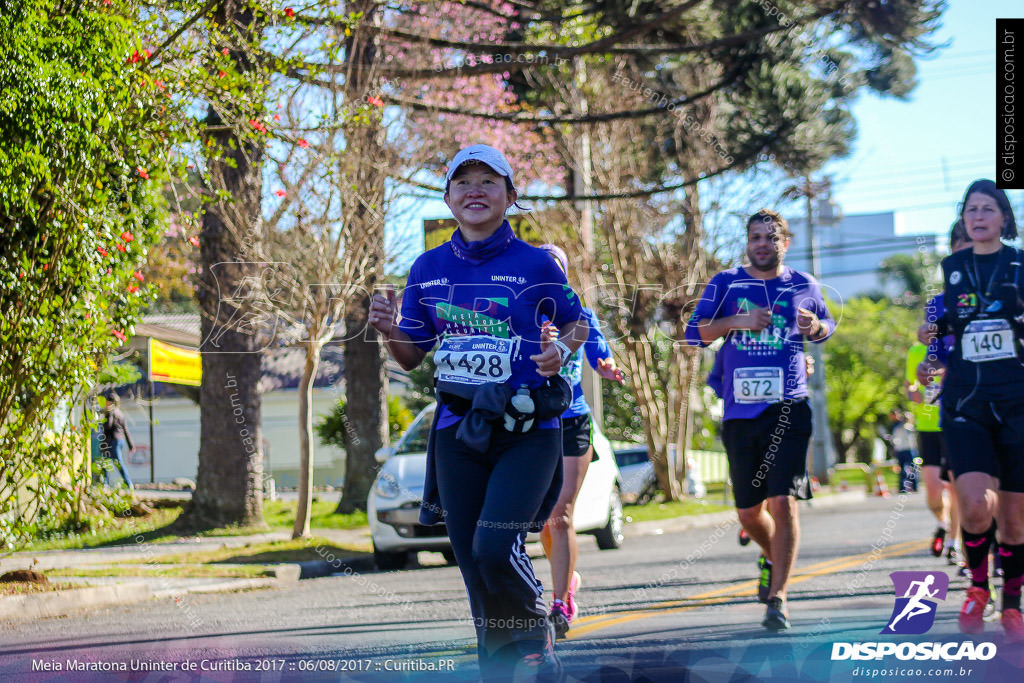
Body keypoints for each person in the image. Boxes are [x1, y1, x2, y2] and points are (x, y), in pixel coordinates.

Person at [368, 144, 588, 678]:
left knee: (495, 546)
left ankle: (536, 638)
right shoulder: (428, 267)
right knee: (471, 562)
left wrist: (563, 349)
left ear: (510, 197)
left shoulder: (536, 263)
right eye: (462, 182)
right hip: (458, 432)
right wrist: (388, 330)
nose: (475, 190)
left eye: (489, 181)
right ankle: (497, 664)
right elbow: (412, 355)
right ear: (448, 198)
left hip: (527, 428)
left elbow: (579, 323)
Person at [685, 208, 834, 631]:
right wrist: (737, 321)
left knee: (782, 501)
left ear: (785, 242)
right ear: (748, 243)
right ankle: (771, 557)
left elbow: (826, 326)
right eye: (756, 237)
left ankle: (779, 599)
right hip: (740, 411)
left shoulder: (803, 284)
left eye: (772, 237)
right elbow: (695, 333)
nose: (763, 244)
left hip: (789, 406)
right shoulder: (727, 283)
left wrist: (815, 324)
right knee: (750, 514)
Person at [920, 179, 1024, 642]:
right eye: (970, 210)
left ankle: (1012, 605)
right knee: (975, 506)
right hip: (965, 401)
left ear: (1004, 217)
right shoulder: (953, 266)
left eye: (987, 209)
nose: (977, 217)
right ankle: (978, 587)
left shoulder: (1021, 264)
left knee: (1015, 520)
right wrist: (931, 361)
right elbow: (946, 331)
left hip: (1018, 399)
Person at [535, 243, 625, 640]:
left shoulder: (582, 316)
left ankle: (560, 602)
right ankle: (567, 579)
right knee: (543, 520)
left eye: (557, 269)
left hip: (573, 421)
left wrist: (606, 368)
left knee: (561, 512)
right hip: (534, 425)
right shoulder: (524, 315)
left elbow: (600, 357)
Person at [907, 220, 970, 564]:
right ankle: (953, 533)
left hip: (1000, 402)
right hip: (951, 408)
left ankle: (971, 555)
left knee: (980, 490)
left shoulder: (1006, 290)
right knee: (945, 490)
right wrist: (927, 370)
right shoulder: (938, 306)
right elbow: (934, 359)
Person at [100, 394, 134, 490]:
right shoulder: (120, 413)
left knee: (114, 461)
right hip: (120, 439)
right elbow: (126, 429)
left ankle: (126, 483)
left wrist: (103, 419)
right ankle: (106, 483)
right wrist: (131, 445)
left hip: (112, 440)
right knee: (113, 461)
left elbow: (108, 426)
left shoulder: (111, 412)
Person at [886, 410, 918, 494]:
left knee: (911, 468)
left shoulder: (906, 426)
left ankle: (913, 486)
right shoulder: (896, 426)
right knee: (902, 469)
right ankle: (903, 487)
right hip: (900, 449)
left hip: (908, 449)